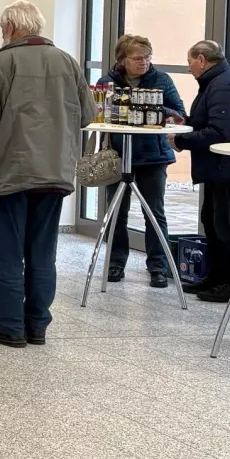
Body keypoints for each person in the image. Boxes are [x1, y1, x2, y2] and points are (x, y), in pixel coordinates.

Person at [0, 0, 96, 347]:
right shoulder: (67, 62)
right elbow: (88, 114)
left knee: (6, 252)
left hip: (10, 174)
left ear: (10, 28)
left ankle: (9, 325)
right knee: (42, 252)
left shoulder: (0, 63)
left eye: (2, 29)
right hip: (54, 175)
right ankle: (37, 326)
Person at [175, 39, 230, 303]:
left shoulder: (224, 84)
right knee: (212, 221)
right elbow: (212, 122)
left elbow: (221, 132)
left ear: (202, 59)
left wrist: (181, 140)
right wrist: (188, 123)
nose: (189, 67)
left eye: (190, 61)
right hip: (218, 166)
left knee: (227, 226)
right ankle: (217, 277)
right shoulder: (217, 81)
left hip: (229, 165)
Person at [103, 34, 185, 288]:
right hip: (117, 155)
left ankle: (158, 267)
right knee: (117, 212)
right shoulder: (107, 82)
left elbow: (180, 114)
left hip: (153, 156)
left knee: (154, 212)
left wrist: (154, 110)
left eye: (148, 57)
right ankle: (115, 262)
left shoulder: (162, 80)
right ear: (122, 59)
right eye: (137, 58)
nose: (144, 62)